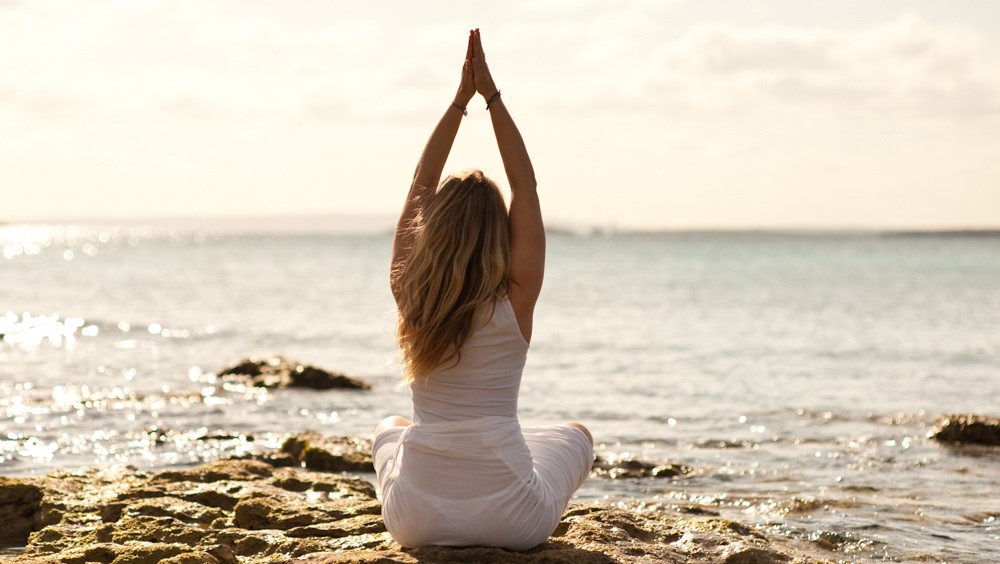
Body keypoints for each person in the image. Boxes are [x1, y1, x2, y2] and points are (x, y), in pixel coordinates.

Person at [371, 29, 594, 550]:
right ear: (500, 233)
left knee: (391, 426)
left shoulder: (410, 296)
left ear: (433, 231)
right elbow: (526, 187)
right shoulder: (518, 298)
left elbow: (419, 187)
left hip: (414, 524)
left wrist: (458, 102)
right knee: (577, 435)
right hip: (514, 523)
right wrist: (491, 97)